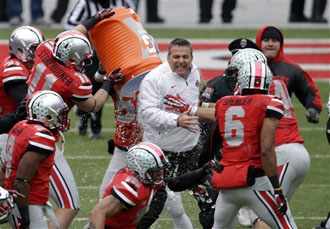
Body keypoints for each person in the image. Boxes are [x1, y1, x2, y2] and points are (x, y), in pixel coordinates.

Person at [167, 61, 297, 228]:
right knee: (287, 226)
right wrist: (277, 189)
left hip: (226, 182)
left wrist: (203, 167)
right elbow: (266, 150)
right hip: (254, 181)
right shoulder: (271, 103)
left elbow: (211, 142)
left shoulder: (224, 103)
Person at [26, 8, 118, 228]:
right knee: (69, 205)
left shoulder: (45, 49)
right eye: (82, 59)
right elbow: (93, 106)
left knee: (21, 197)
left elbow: (73, 33)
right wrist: (108, 82)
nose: (85, 62)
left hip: (21, 124)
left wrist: (94, 19)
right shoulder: (74, 81)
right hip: (42, 135)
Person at [194, 38, 260, 229]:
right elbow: (203, 116)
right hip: (222, 153)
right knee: (213, 211)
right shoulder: (217, 84)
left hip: (250, 152)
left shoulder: (263, 82)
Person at [137, 38, 201, 228]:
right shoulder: (154, 79)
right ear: (168, 57)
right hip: (161, 152)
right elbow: (147, 113)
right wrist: (177, 120)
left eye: (185, 57)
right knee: (153, 208)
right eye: (176, 57)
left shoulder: (195, 72)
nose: (181, 61)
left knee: (209, 200)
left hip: (191, 148)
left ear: (192, 57)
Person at [85, 141, 223, 229]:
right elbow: (97, 212)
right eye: (156, 171)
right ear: (141, 168)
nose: (160, 174)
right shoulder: (131, 188)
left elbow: (175, 183)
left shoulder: (146, 179)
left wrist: (202, 171)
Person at [4, 90, 69, 229]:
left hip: (16, 199)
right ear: (47, 114)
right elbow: (22, 181)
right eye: (59, 113)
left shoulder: (21, 126)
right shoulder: (42, 138)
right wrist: (25, 217)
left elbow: (5, 168)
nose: (63, 118)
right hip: (27, 202)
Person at [256, 25, 322, 124]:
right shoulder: (248, 67)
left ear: (281, 44)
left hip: (283, 125)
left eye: (274, 40)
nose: (270, 44)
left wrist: (313, 108)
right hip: (255, 123)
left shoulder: (291, 69)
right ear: (259, 43)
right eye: (266, 40)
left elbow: (309, 92)